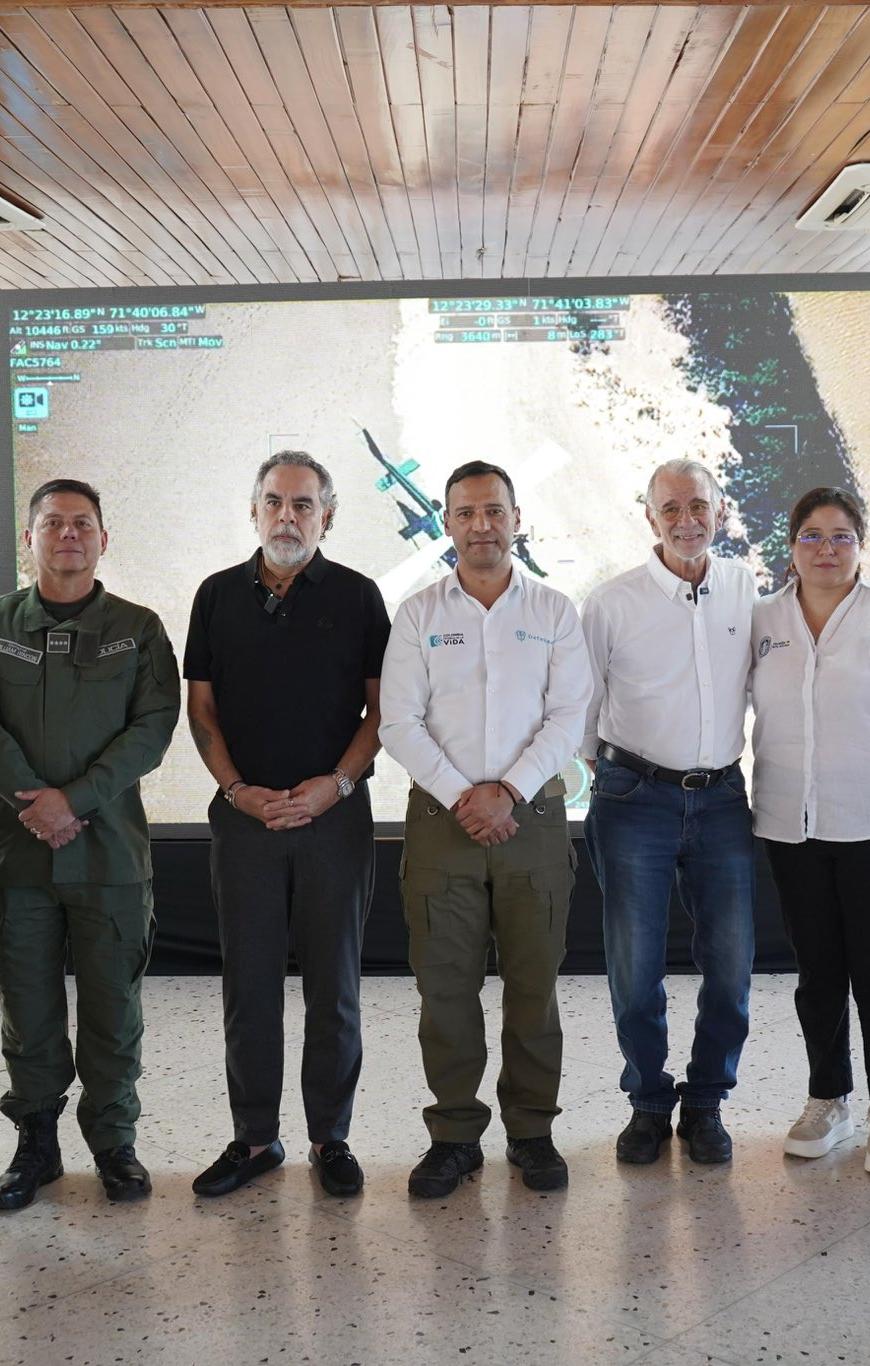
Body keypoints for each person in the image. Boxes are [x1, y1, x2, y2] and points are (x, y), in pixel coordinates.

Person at [379, 460, 591, 1197]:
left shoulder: (555, 612)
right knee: (446, 990)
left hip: (530, 821)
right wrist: (464, 794)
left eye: (494, 511)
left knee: (533, 989)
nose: (481, 526)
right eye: (466, 513)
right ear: (447, 522)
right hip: (442, 824)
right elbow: (398, 721)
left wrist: (509, 790)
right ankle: (455, 1137)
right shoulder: (418, 615)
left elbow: (570, 717)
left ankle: (533, 1132)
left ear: (516, 516)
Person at [185, 451, 390, 1199]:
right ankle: (254, 1139)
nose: (287, 516)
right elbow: (201, 712)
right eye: (274, 501)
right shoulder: (215, 598)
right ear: (253, 509)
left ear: (327, 516)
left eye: (304, 504)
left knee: (334, 986)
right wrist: (238, 791)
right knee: (250, 986)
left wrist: (335, 786)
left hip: (333, 819)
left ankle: (330, 1138)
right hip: (245, 822)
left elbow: (381, 711)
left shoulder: (362, 597)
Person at [0, 479, 179, 1210]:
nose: (67, 534)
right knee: (28, 1007)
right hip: (19, 856)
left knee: (113, 1007)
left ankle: (114, 1144)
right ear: (30, 538)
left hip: (108, 857)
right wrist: (34, 803)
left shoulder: (138, 628)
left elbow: (153, 729)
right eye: (53, 523)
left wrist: (71, 801)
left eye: (82, 524)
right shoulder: (2, 622)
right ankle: (35, 1145)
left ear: (105, 539)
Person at [581, 458, 756, 1165]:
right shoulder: (611, 601)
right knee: (633, 965)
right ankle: (650, 1101)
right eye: (671, 508)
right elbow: (582, 708)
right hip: (634, 801)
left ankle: (707, 1101)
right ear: (649, 516)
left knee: (731, 962)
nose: (686, 520)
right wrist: (620, 774)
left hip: (720, 799)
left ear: (720, 511)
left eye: (698, 506)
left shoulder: (745, 588)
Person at [751, 486, 870, 1164]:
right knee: (817, 970)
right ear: (791, 546)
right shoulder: (764, 619)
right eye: (812, 536)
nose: (826, 548)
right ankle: (829, 1099)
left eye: (841, 536)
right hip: (788, 825)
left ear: (860, 544)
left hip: (866, 822)